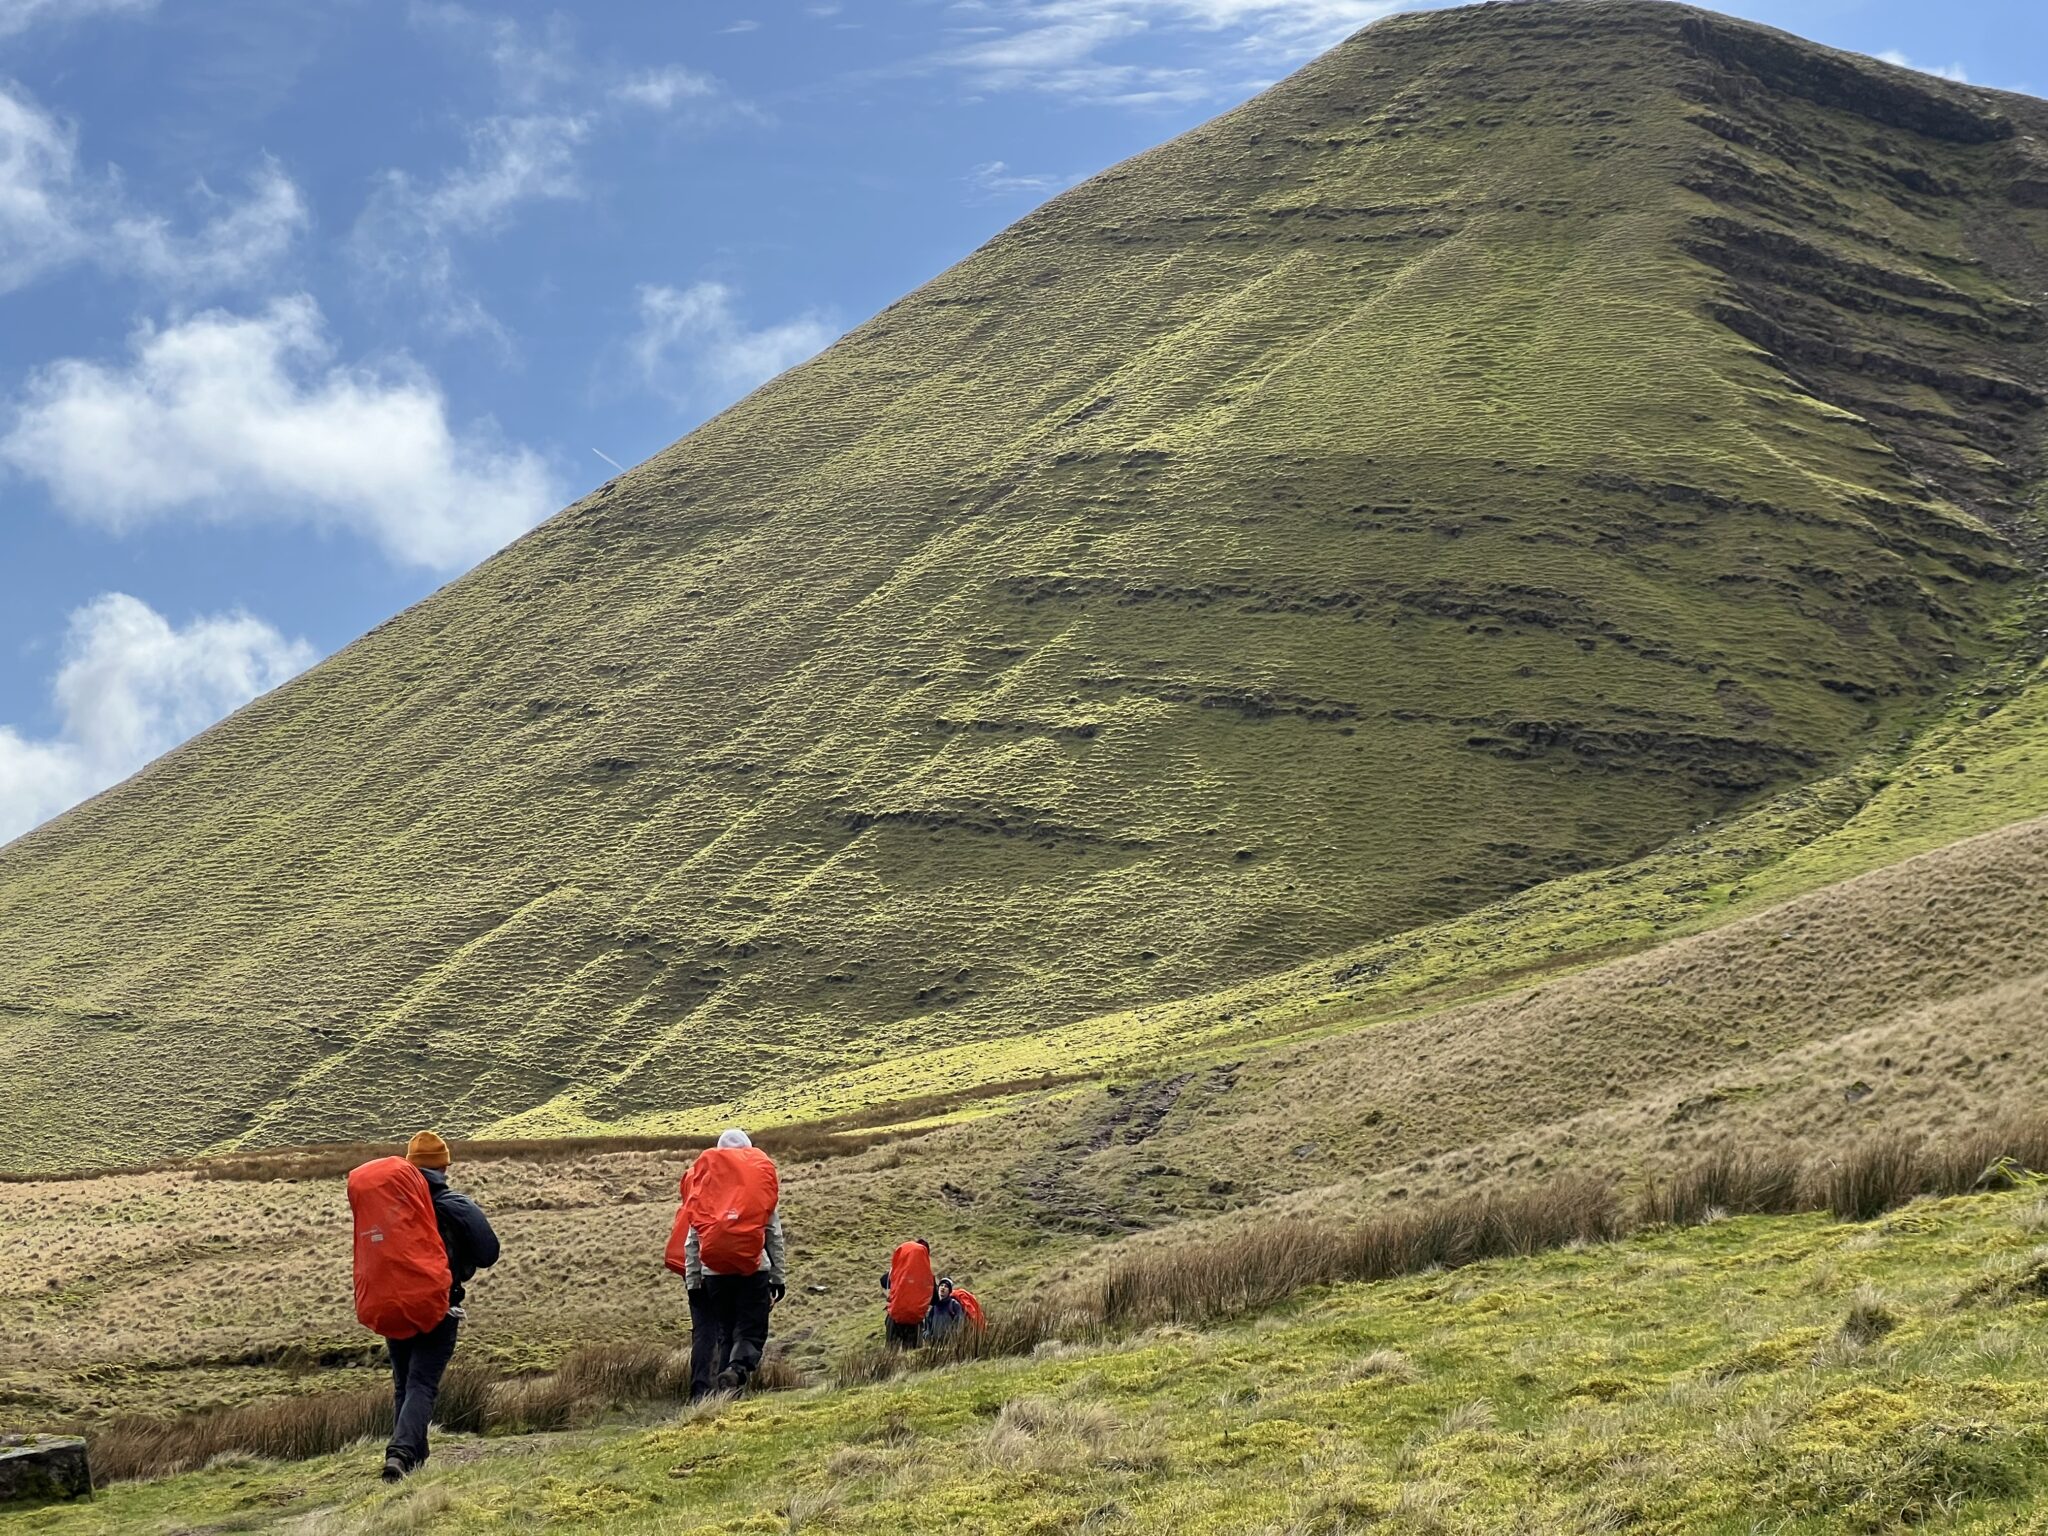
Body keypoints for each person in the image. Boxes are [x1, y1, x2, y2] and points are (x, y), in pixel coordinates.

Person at [385, 1131, 499, 1482]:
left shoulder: (391, 1207)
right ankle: (401, 1453)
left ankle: (411, 1465)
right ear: (444, 1167)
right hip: (439, 1305)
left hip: (394, 1304)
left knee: (405, 1384)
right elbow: (488, 1252)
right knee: (421, 1383)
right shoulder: (454, 1204)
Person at [672, 1129, 786, 1397]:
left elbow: (693, 1238)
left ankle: (724, 1398)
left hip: (715, 1272)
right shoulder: (758, 1184)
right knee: (750, 1331)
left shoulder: (706, 1184)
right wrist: (778, 1278)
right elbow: (773, 1234)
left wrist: (693, 1281)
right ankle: (736, 1371)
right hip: (753, 1269)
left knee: (725, 1333)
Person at [881, 1238, 935, 1347]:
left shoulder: (899, 1270)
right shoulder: (928, 1276)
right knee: (911, 1353)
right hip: (914, 1321)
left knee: (891, 1351)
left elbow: (883, 1281)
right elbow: (935, 1299)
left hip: (895, 1317)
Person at [923, 1277, 967, 1343]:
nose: (943, 1288)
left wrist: (953, 1338)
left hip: (950, 1344)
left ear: (949, 1291)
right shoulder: (933, 1307)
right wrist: (927, 1335)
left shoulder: (954, 1305)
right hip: (935, 1345)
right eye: (941, 1285)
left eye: (946, 1286)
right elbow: (927, 1327)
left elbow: (959, 1324)